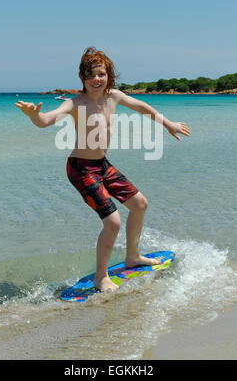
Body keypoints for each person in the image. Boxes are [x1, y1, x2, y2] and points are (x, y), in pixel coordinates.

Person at [15, 47, 190, 292]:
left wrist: (168, 124)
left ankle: (133, 257)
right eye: (90, 75)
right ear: (82, 79)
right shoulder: (75, 102)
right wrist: (34, 116)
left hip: (102, 165)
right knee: (113, 222)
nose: (96, 79)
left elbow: (142, 107)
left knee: (140, 204)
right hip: (81, 168)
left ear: (109, 75)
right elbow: (47, 121)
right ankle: (101, 277)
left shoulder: (114, 96)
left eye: (101, 74)